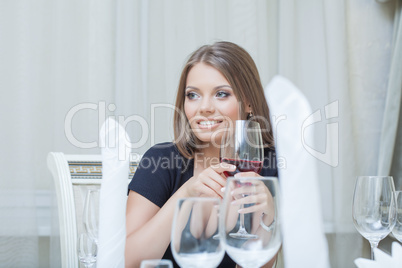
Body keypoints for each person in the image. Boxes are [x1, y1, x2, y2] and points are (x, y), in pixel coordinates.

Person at [125, 41, 278, 268]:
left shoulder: (268, 168)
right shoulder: (160, 161)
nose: (204, 107)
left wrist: (268, 218)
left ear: (248, 103)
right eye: (193, 95)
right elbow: (128, 261)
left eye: (221, 94)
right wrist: (187, 192)